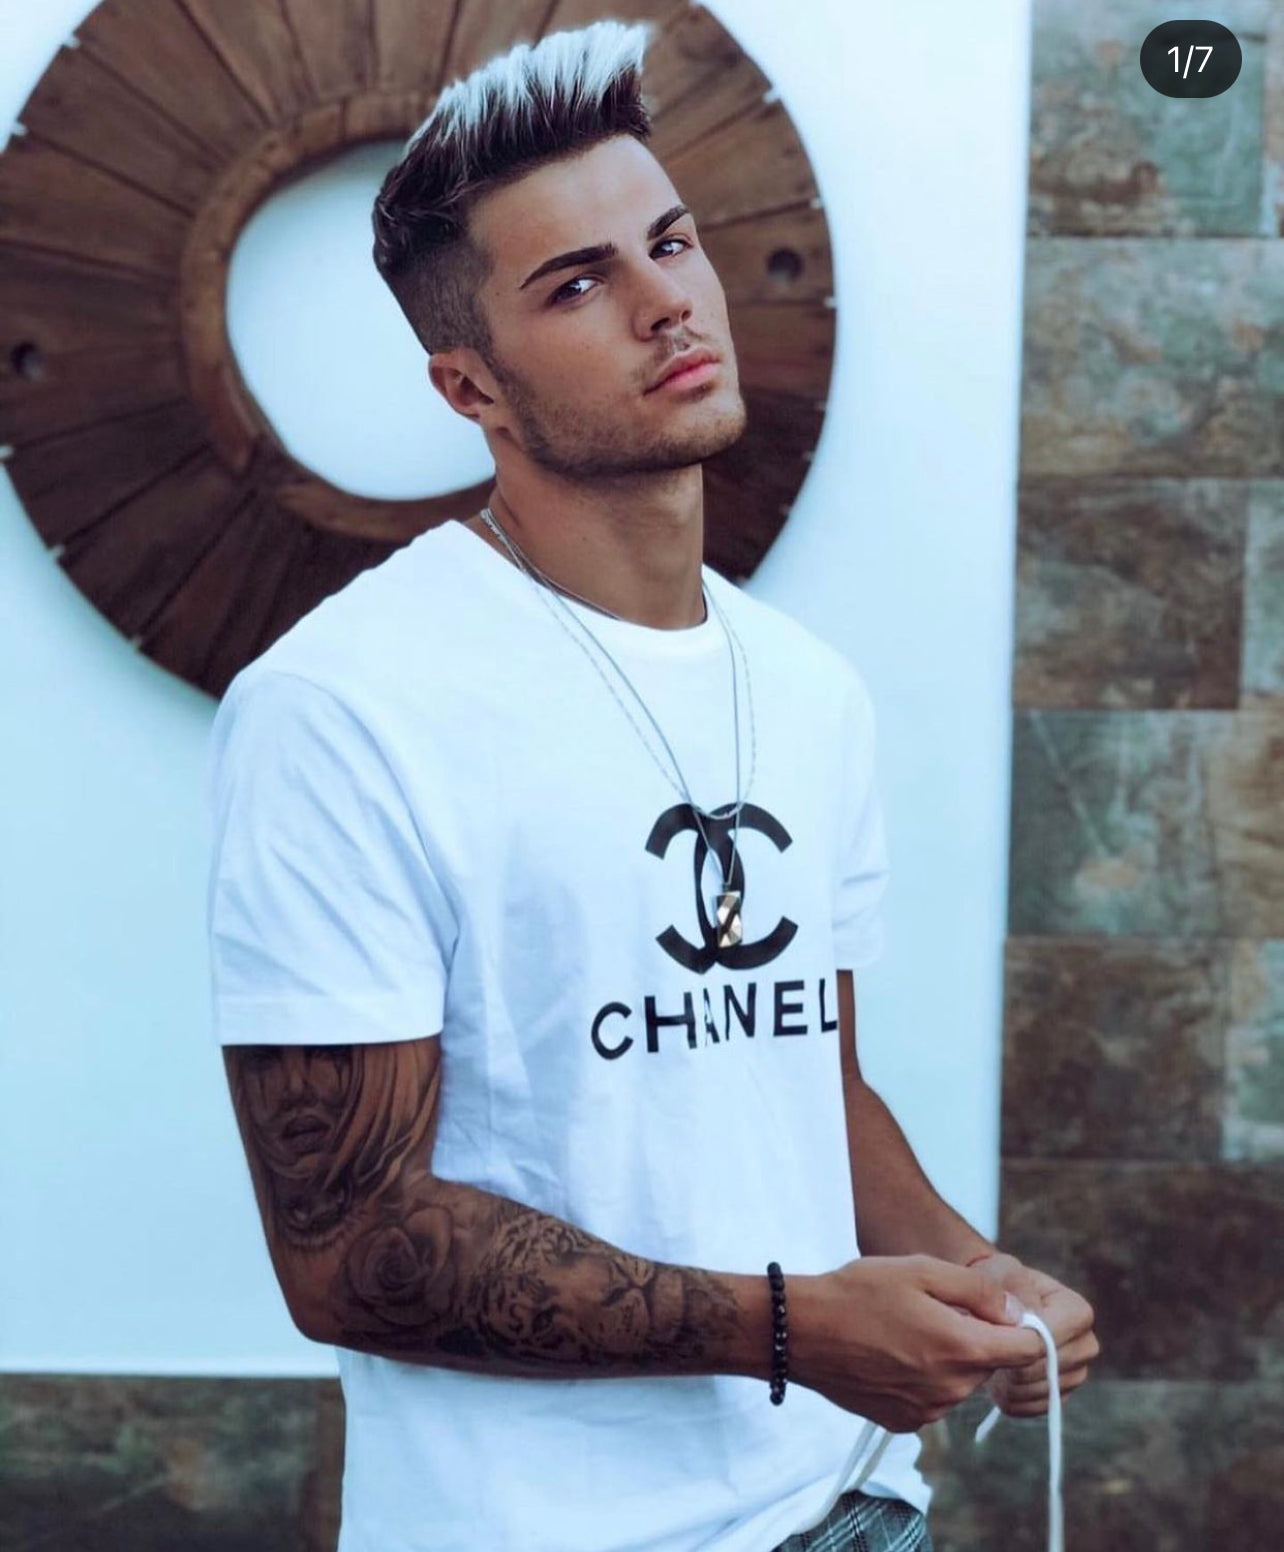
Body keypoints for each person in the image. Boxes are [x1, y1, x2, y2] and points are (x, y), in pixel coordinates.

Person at [204, 20, 1098, 1552]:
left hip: (853, 1508)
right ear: (470, 385)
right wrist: (789, 1327)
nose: (666, 299)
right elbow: (348, 1248)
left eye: (670, 243)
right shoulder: (343, 709)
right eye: (578, 283)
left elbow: (801, 1073)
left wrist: (973, 1274)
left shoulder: (807, 689)